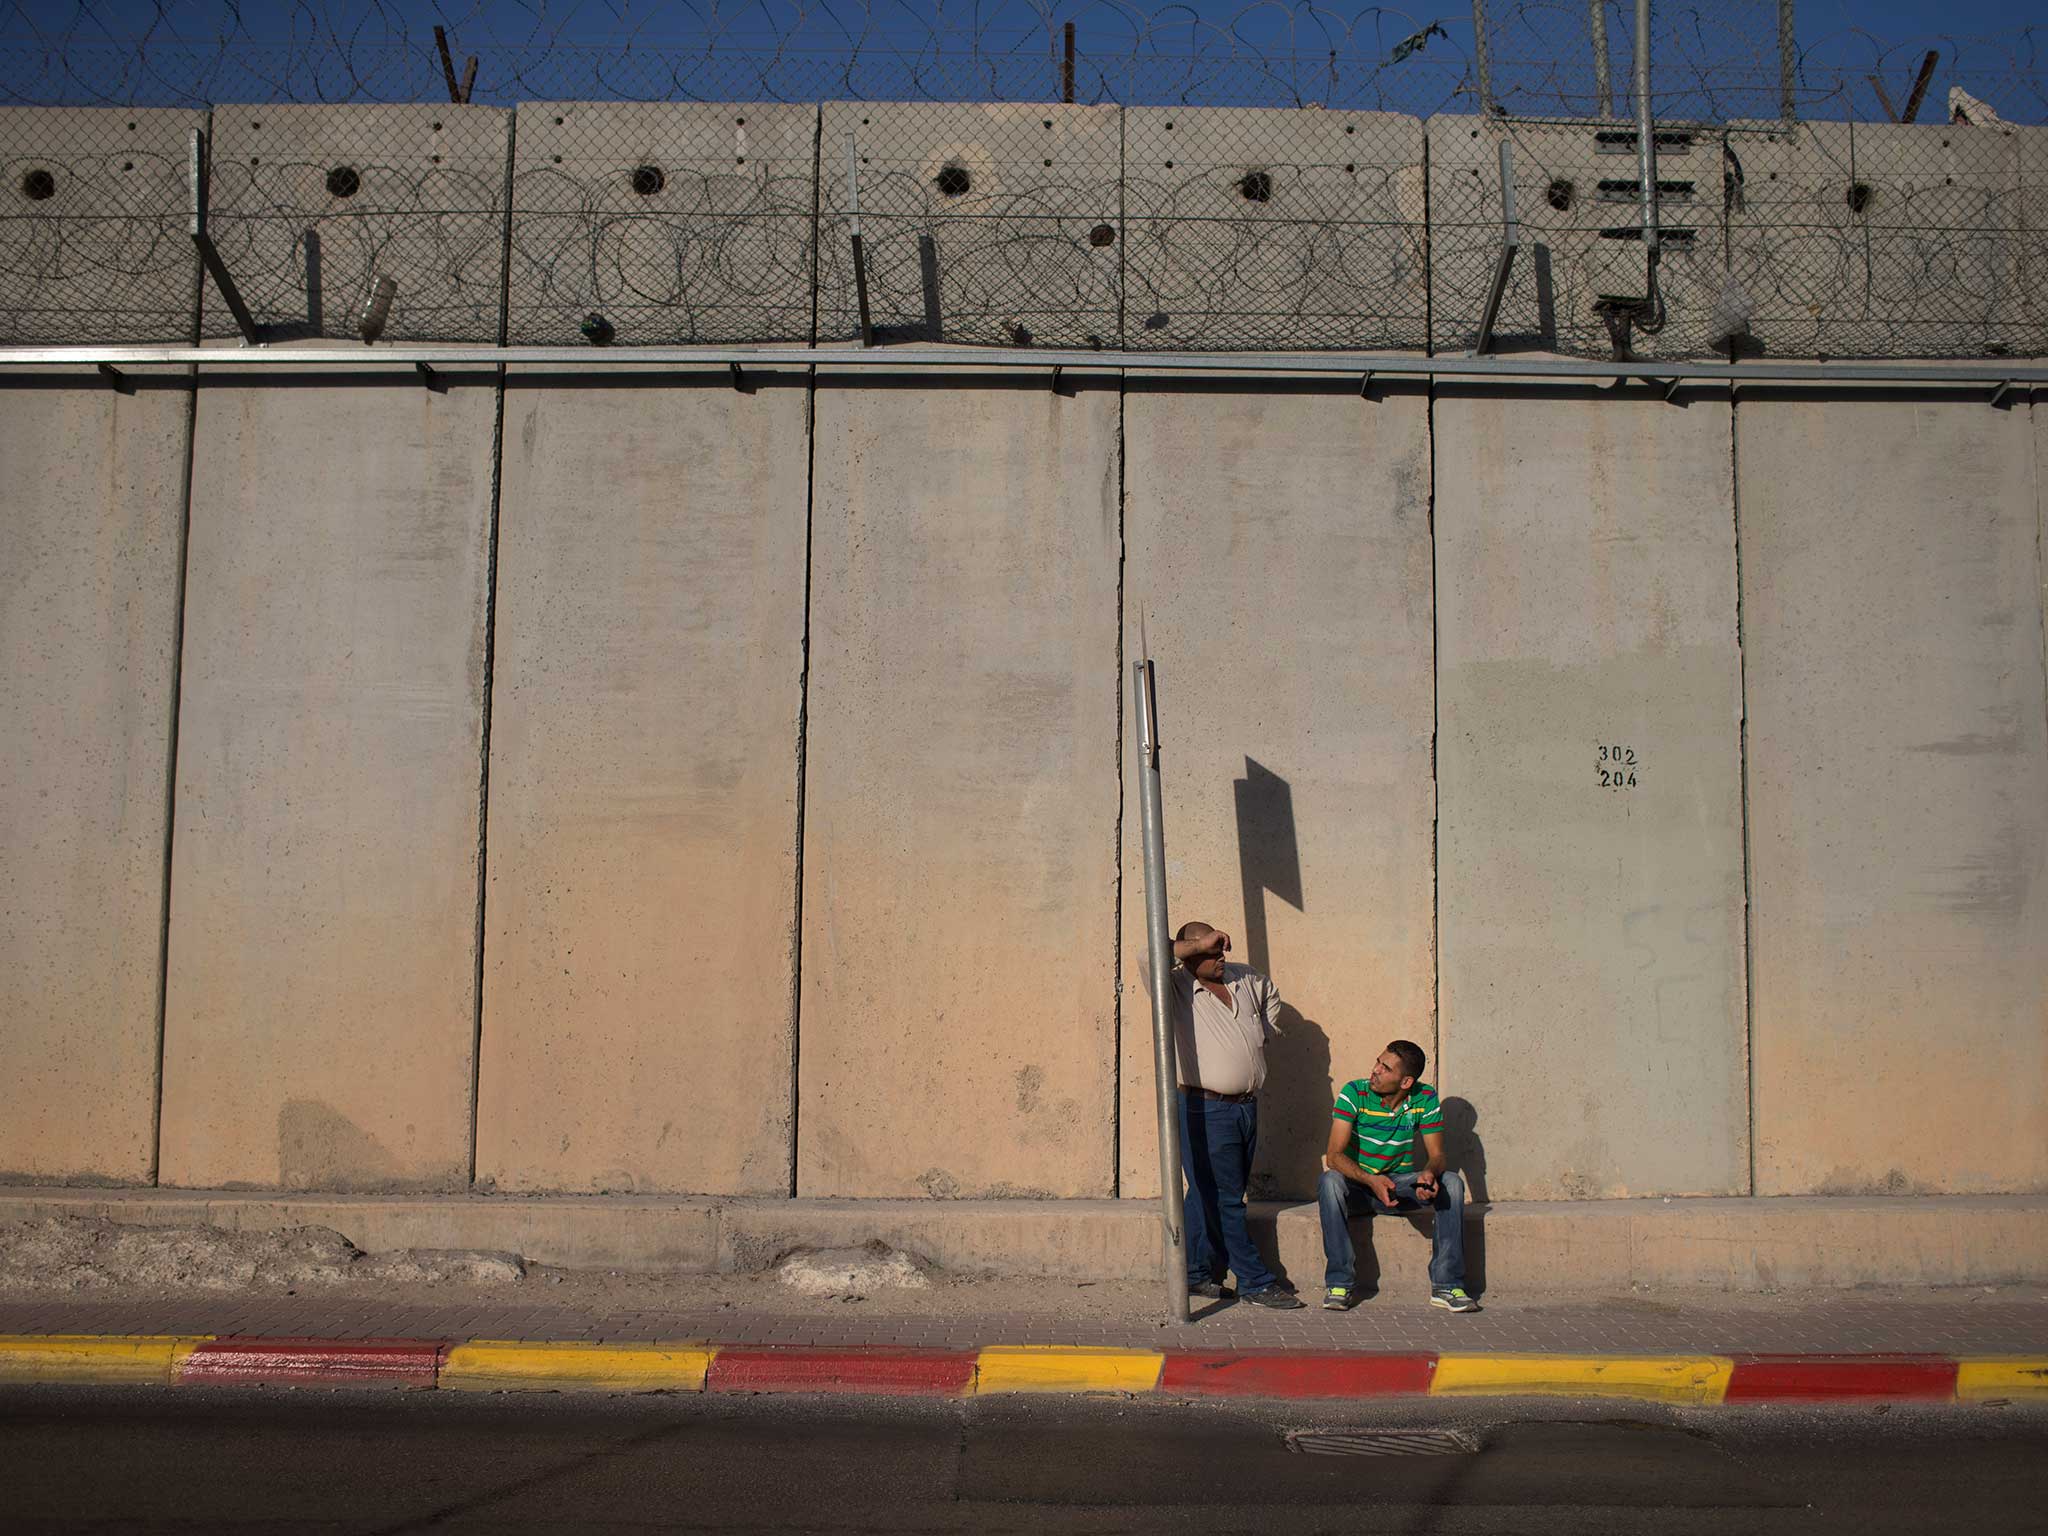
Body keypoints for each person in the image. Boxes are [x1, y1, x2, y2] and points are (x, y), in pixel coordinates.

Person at [1168, 921, 1304, 1309]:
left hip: (1245, 1108)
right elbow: (1149, 954)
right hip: (1205, 1109)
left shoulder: (1243, 977)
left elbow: (1271, 996)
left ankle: (1196, 1273)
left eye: (1220, 948)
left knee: (1206, 1194)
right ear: (1190, 953)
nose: (1220, 956)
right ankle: (1255, 1282)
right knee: (1228, 1199)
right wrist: (1195, 944)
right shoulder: (1176, 988)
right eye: (1210, 951)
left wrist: (1263, 1029)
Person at [1317, 1039, 1479, 1312]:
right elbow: (1333, 1157)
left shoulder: (1424, 1098)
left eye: (1385, 1068)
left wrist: (1428, 1174)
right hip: (1358, 1188)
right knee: (1329, 1181)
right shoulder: (1354, 1093)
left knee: (1451, 1182)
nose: (1375, 1070)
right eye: (1378, 1062)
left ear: (1405, 1082)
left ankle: (1446, 1285)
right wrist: (1370, 1180)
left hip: (1397, 1187)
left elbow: (1438, 1156)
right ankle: (1340, 1283)